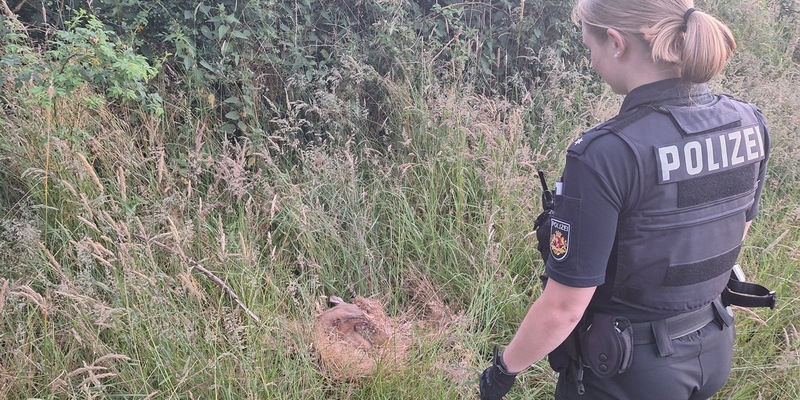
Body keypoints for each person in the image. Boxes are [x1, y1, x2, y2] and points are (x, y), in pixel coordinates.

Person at [479, 0, 771, 399]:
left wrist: (503, 371)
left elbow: (564, 308)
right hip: (714, 346)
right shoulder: (749, 122)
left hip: (629, 372)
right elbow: (734, 233)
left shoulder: (606, 153)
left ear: (616, 42)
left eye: (590, 48)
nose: (592, 60)